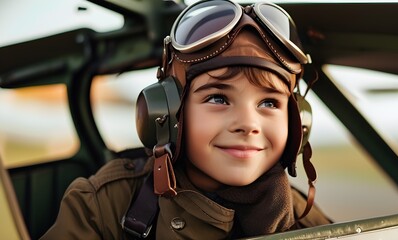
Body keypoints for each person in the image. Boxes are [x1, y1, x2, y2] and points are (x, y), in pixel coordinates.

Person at [41, 0, 331, 239]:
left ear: (298, 124)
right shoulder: (102, 207)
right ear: (166, 112)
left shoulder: (305, 220)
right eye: (218, 98)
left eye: (268, 102)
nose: (248, 123)